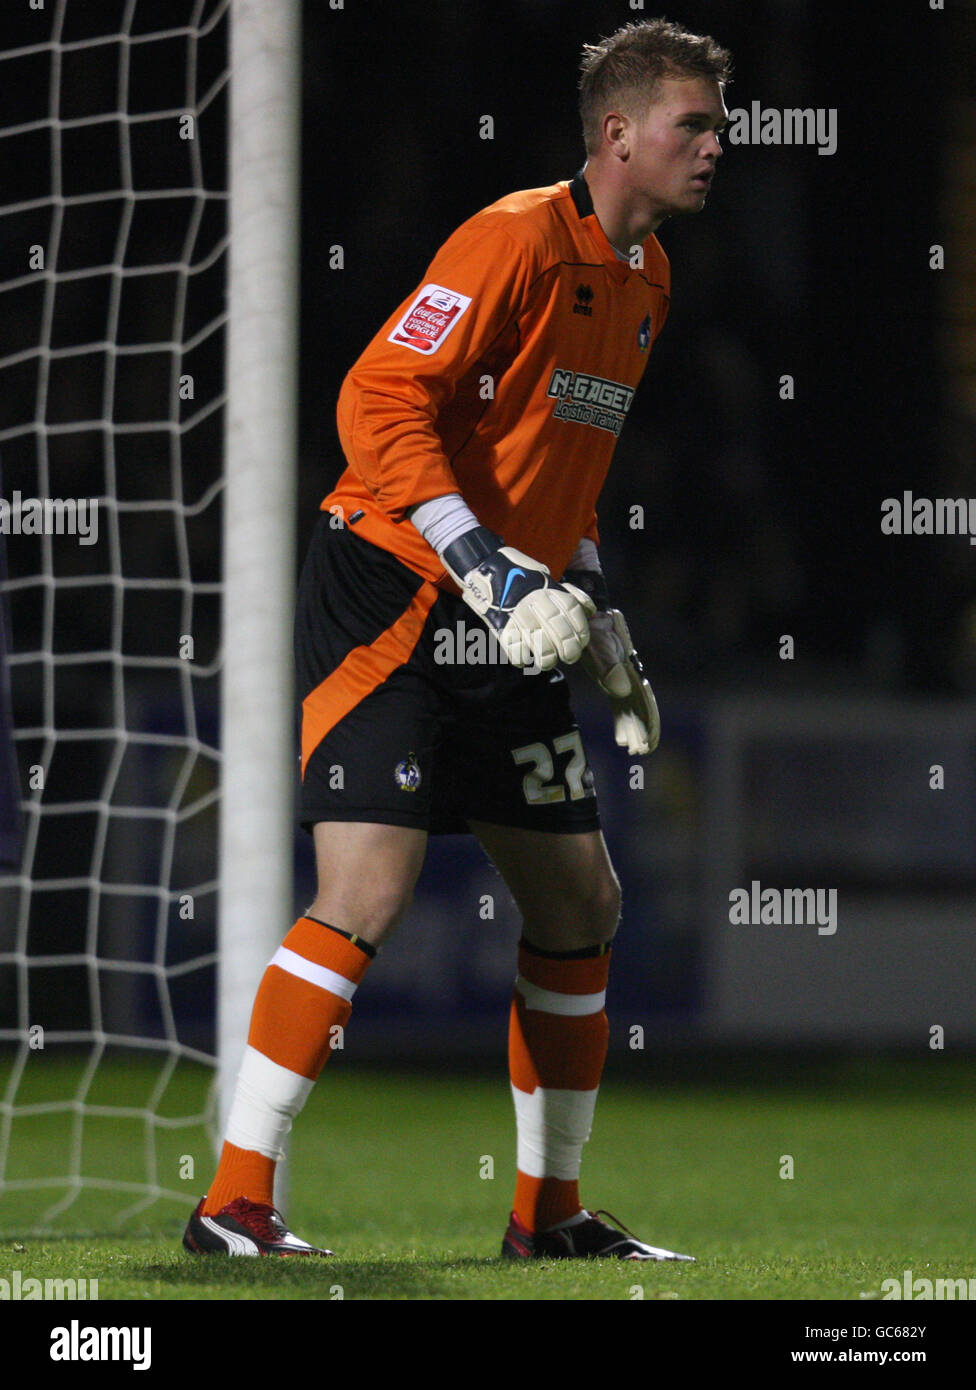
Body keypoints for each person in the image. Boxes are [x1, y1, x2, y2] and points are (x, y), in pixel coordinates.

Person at [184, 16, 731, 1262]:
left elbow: (563, 480)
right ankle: (233, 1202)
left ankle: (548, 1217)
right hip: (392, 585)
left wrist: (607, 631)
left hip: (513, 615)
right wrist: (479, 564)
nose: (716, 145)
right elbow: (376, 396)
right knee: (368, 888)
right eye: (692, 123)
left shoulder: (649, 285)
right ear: (617, 133)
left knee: (581, 899)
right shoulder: (511, 237)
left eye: (718, 123)